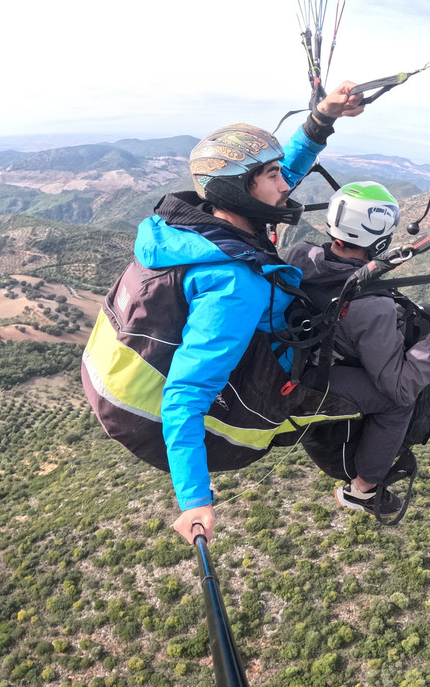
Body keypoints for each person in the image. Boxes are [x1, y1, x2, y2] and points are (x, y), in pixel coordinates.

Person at [123, 83, 366, 545]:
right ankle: (361, 484)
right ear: (239, 190)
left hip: (263, 327)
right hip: (268, 376)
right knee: (392, 391)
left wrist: (321, 120)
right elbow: (186, 394)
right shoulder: (234, 285)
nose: (285, 185)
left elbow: (282, 173)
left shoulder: (195, 223)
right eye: (273, 176)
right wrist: (195, 501)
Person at [285, 181, 430, 519]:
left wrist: (428, 247)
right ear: (381, 239)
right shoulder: (372, 307)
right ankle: (365, 489)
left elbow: (361, 272)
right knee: (399, 401)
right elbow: (400, 386)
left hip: (308, 354)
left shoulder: (302, 256)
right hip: (315, 379)